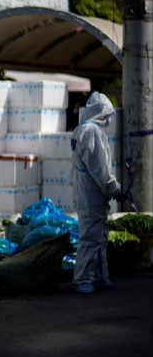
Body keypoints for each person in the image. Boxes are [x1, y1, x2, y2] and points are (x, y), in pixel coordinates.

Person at [71, 92, 124, 294]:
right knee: (91, 237)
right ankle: (83, 279)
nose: (110, 118)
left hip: (86, 190)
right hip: (92, 192)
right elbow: (99, 168)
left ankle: (100, 276)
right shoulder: (91, 132)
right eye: (108, 114)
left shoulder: (81, 130)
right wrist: (113, 188)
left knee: (99, 235)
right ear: (101, 112)